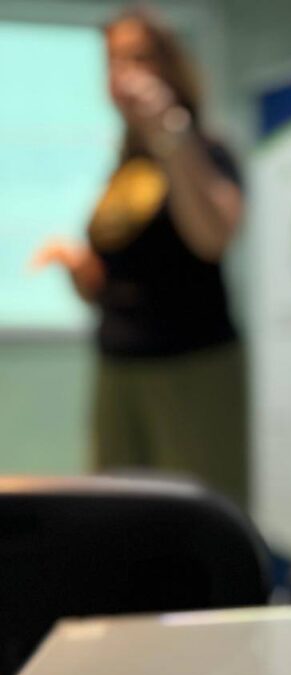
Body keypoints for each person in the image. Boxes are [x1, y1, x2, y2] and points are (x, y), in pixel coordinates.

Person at [31, 7, 247, 508]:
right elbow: (111, 282)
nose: (124, 72)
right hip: (119, 365)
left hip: (191, 366)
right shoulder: (124, 168)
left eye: (139, 57)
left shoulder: (203, 150)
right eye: (114, 60)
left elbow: (213, 238)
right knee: (116, 518)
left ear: (171, 65)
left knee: (196, 520)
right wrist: (79, 267)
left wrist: (170, 133)